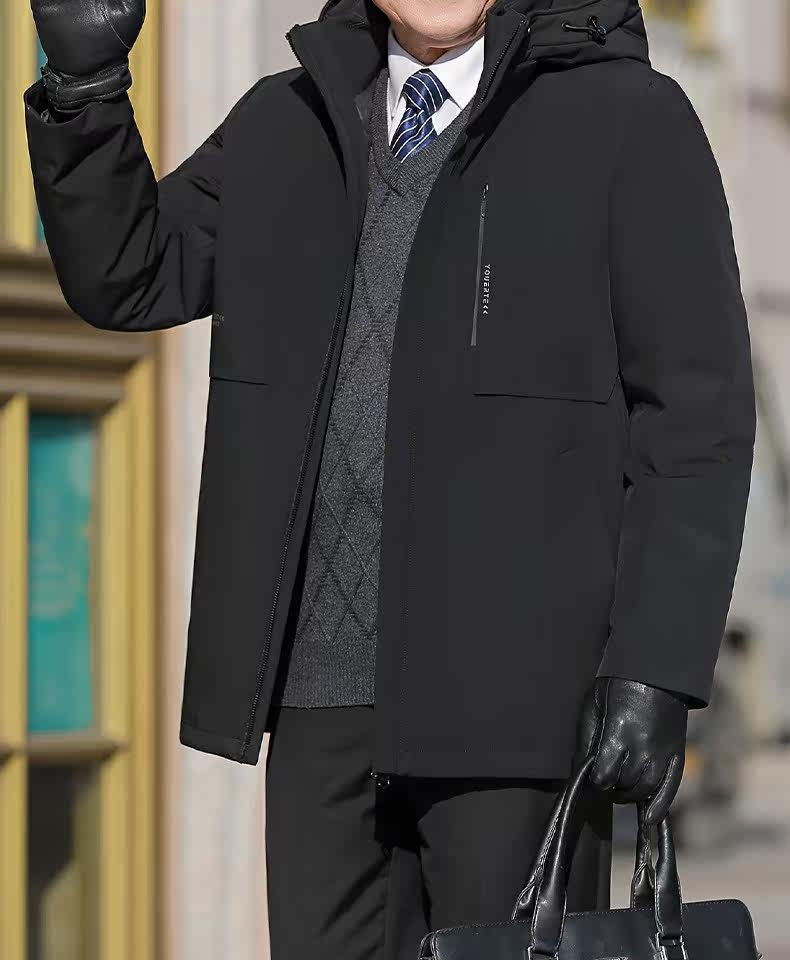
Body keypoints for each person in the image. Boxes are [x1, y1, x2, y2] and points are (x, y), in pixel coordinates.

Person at [25, 0, 755, 957]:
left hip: (520, 708)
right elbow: (131, 272)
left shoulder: (631, 120)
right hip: (317, 699)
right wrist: (86, 90)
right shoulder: (287, 121)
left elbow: (696, 420)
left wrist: (657, 667)